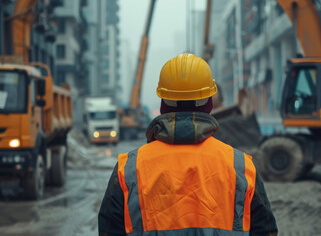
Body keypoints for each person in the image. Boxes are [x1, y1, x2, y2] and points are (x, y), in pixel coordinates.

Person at [98, 53, 278, 236]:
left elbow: (108, 231)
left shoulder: (128, 169)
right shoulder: (241, 166)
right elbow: (266, 230)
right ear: (209, 104)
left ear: (163, 104)